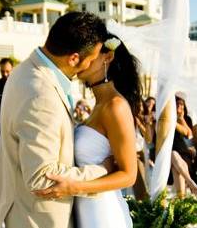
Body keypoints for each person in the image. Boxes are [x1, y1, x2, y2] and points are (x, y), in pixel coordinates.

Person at [0, 12, 112, 228]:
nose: (93, 64)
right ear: (74, 58)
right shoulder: (41, 94)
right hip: (38, 218)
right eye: (92, 59)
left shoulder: (24, 70)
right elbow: (42, 178)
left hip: (21, 208)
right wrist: (102, 169)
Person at [34, 33, 141, 228]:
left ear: (107, 57)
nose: (81, 58)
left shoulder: (115, 106)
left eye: (89, 53)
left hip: (103, 212)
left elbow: (129, 175)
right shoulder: (98, 105)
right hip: (84, 207)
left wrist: (74, 187)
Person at [171, 94, 197, 198]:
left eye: (182, 104)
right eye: (178, 104)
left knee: (176, 166)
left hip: (183, 153)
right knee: (173, 155)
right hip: (168, 154)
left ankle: (181, 200)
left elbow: (189, 134)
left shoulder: (186, 118)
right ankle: (190, 183)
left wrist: (181, 118)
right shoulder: (166, 118)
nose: (180, 106)